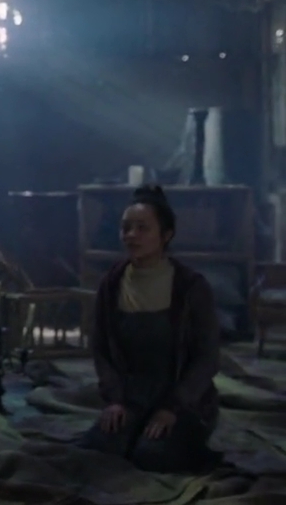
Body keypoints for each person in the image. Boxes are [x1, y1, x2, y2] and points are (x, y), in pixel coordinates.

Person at [78, 184, 220, 473]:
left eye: (142, 228)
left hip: (182, 400)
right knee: (100, 449)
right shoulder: (112, 283)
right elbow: (101, 348)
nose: (131, 235)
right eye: (126, 228)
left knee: (152, 456)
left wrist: (173, 407)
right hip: (131, 397)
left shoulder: (191, 287)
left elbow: (207, 358)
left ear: (166, 235)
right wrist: (115, 400)